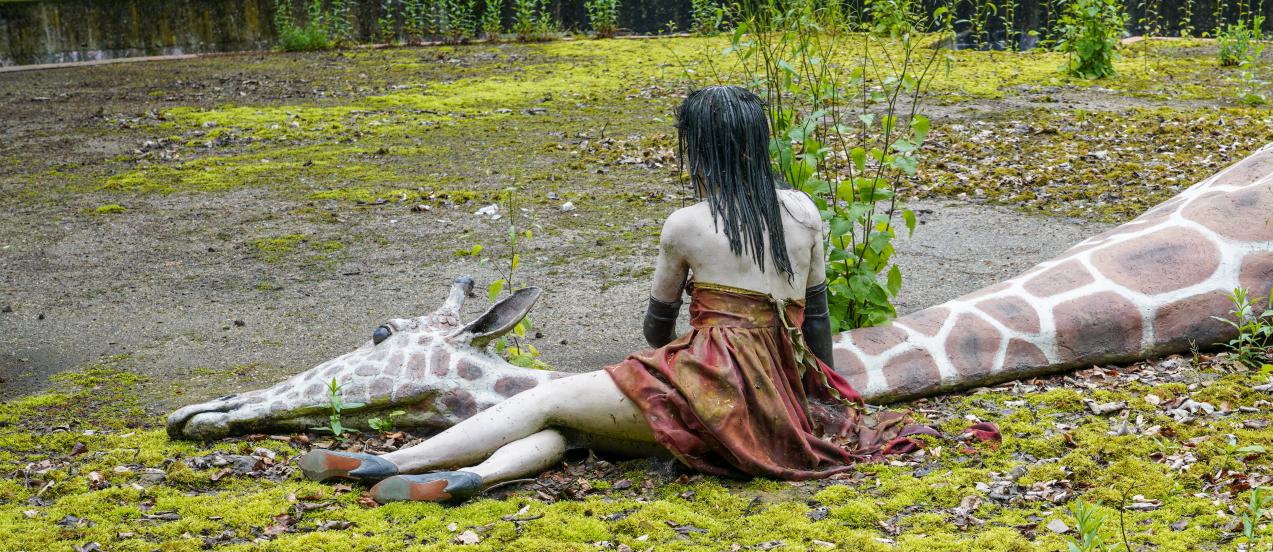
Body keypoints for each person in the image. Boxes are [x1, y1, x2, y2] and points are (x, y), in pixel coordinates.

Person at [297, 85, 931, 504]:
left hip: (711, 388)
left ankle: (393, 462)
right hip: (775, 406)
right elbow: (815, 324)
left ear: (701, 149)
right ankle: (466, 478)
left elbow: (657, 335)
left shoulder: (687, 224)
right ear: (758, 142)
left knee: (548, 397)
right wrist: (806, 393)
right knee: (572, 430)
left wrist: (698, 323)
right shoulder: (804, 211)